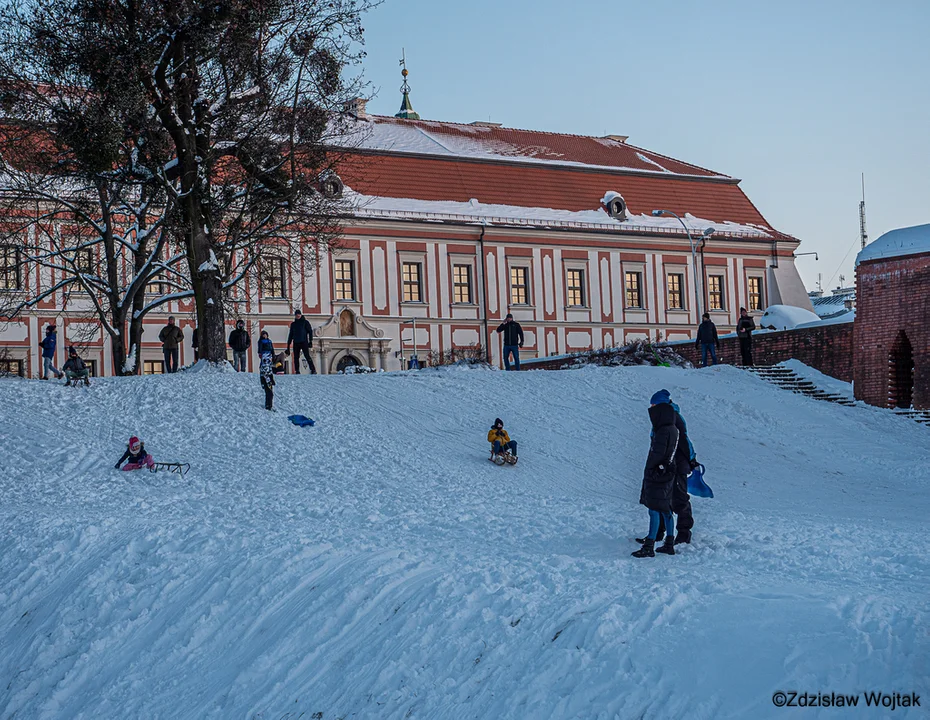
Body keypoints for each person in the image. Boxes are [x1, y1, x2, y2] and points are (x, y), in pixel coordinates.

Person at [641, 389, 698, 545]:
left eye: (653, 404)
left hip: (678, 464)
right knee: (661, 497)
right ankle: (658, 532)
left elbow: (684, 440)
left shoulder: (674, 418)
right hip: (668, 464)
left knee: (679, 498)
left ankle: (684, 532)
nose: (651, 407)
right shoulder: (663, 418)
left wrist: (691, 460)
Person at [632, 398, 679, 558]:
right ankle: (669, 543)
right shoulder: (673, 429)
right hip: (668, 473)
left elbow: (656, 454)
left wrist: (650, 471)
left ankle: (649, 545)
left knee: (654, 509)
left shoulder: (662, 431)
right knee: (666, 509)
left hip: (657, 475)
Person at [286, 309, 316, 374]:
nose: (298, 316)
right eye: (296, 315)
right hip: (296, 342)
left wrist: (310, 341)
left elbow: (310, 331)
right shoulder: (293, 324)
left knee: (307, 356)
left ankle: (313, 369)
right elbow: (291, 335)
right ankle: (297, 370)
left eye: (299, 315)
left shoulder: (305, 322)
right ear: (295, 316)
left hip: (304, 341)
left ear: (301, 315)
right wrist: (288, 345)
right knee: (296, 357)